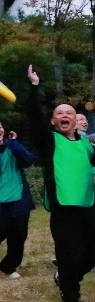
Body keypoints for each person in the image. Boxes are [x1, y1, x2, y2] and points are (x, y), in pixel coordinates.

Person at [25, 67, 95, 302]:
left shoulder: (86, 143)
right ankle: (71, 297)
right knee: (67, 254)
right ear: (53, 121)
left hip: (87, 205)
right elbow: (34, 118)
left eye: (69, 113)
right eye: (59, 113)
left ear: (76, 120)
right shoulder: (50, 141)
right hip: (62, 208)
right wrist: (34, 87)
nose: (64, 116)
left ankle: (67, 277)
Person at [0, 118, 37, 279]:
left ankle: (9, 266)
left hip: (19, 199)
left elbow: (28, 160)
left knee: (18, 236)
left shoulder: (13, 146)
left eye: (0, 126)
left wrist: (14, 143)